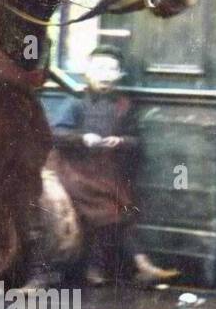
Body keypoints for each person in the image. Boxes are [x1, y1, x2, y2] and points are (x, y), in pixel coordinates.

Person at [49, 44, 179, 287]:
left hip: (103, 172)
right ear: (87, 72)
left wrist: (119, 141)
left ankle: (117, 267)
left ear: (120, 75)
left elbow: (136, 141)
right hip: (72, 170)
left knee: (119, 205)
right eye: (100, 68)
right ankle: (135, 266)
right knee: (108, 206)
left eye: (112, 69)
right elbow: (57, 133)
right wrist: (83, 138)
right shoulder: (75, 102)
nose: (106, 75)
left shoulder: (123, 106)